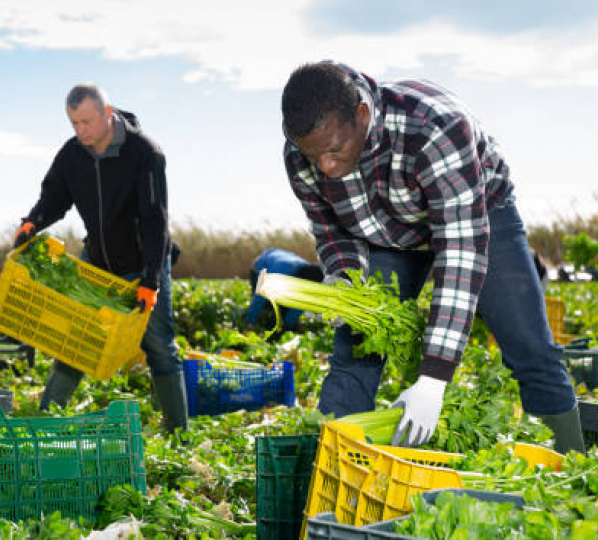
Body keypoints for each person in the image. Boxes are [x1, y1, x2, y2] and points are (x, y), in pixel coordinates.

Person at [280, 60, 584, 454]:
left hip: (477, 214)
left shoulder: (434, 127)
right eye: (312, 154)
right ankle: (331, 473)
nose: (325, 165)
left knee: (531, 348)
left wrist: (433, 380)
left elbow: (460, 252)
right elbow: (331, 230)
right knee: (357, 345)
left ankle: (570, 474)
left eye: (335, 150)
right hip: (388, 234)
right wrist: (345, 280)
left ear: (362, 114)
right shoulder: (301, 154)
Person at [13, 83, 187, 433]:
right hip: (97, 256)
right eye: (74, 123)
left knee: (160, 347)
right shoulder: (72, 154)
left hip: (143, 262)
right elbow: (54, 196)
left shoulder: (145, 154)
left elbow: (156, 221)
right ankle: (46, 424)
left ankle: (178, 433)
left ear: (107, 114)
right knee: (74, 339)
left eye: (87, 122)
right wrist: (33, 221)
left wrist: (151, 282)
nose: (81, 131)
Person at [246, 248, 324, 331]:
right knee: (268, 303)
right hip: (262, 265)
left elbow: (298, 305)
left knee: (284, 307)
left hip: (285, 260)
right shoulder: (281, 271)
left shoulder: (311, 274)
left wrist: (288, 326)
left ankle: (276, 322)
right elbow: (260, 296)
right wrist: (250, 322)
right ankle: (255, 318)